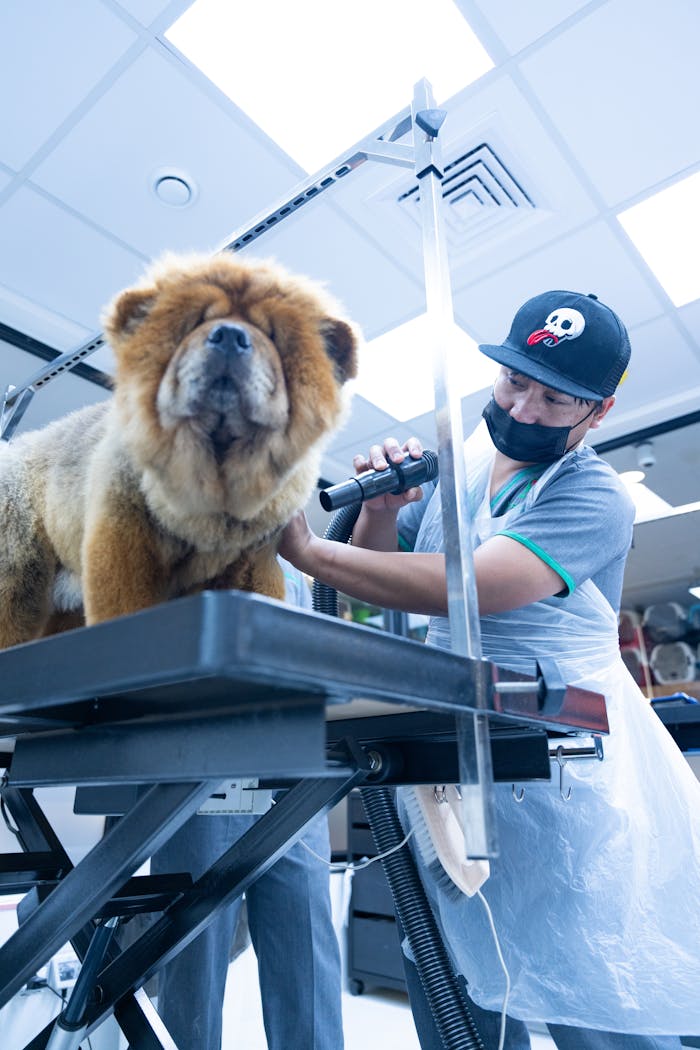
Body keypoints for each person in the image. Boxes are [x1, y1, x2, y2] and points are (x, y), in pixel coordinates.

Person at [279, 290, 700, 1046]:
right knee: (455, 976)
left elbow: (481, 588)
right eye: (514, 383)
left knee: (586, 989)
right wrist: (381, 510)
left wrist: (311, 552)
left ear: (596, 413)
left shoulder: (595, 496)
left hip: (558, 774)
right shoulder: (458, 472)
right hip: (452, 761)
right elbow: (388, 585)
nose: (526, 408)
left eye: (554, 398)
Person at [151, 558, 344, 1050]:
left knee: (307, 954)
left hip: (293, 773)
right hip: (201, 765)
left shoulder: (300, 564)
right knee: (192, 963)